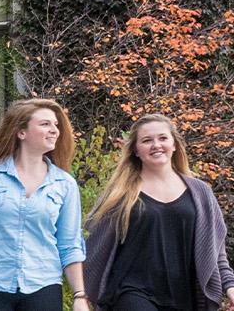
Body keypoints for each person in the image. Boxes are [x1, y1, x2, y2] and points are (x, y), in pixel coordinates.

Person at [83, 114, 234, 311]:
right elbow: (94, 246)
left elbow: (215, 252)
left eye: (163, 138)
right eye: (147, 140)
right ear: (136, 150)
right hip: (131, 290)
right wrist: (82, 294)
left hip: (184, 293)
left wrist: (230, 288)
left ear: (174, 145)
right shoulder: (121, 193)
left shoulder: (200, 192)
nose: (156, 145)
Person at [0, 98, 91, 311]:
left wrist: (79, 296)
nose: (54, 130)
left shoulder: (65, 184)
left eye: (56, 125)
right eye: (45, 124)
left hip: (43, 286)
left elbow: (70, 245)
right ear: (21, 132)